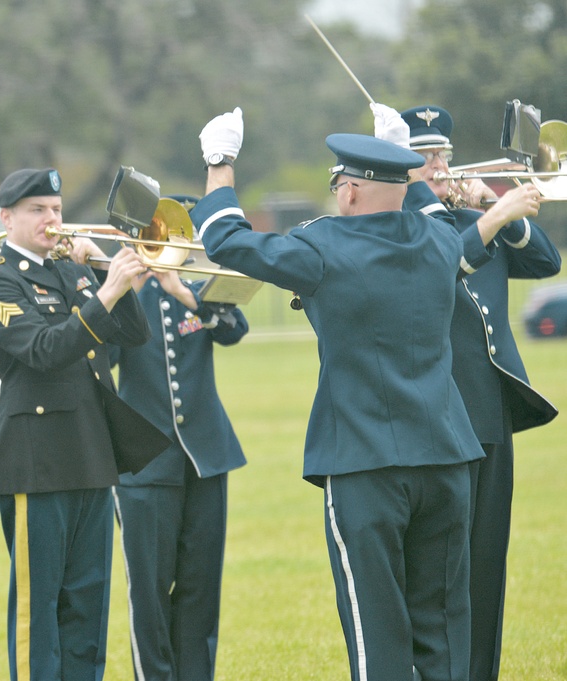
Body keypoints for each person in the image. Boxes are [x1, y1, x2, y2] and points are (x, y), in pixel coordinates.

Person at [191, 107, 540, 680]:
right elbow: (463, 241)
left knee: (378, 636)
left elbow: (224, 239)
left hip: (364, 464)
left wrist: (220, 163)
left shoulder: (322, 247)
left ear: (349, 191)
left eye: (338, 186)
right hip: (448, 459)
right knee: (445, 636)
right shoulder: (436, 238)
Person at [0, 167, 170, 681]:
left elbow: (134, 334)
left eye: (56, 209)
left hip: (90, 453)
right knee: (40, 613)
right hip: (35, 461)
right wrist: (104, 293)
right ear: (7, 217)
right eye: (37, 210)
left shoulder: (71, 270)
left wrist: (107, 270)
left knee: (87, 607)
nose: (51, 219)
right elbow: (45, 350)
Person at [395, 104, 560, 681]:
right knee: (442, 573)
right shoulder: (404, 222)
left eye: (443, 152)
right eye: (426, 155)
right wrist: (481, 216)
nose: (442, 164)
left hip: (489, 410)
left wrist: (497, 206)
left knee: (487, 566)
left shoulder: (469, 215)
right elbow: (436, 259)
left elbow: (544, 259)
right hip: (439, 416)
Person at [103, 195, 250, 681]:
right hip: (144, 465)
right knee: (149, 592)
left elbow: (234, 329)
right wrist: (119, 288)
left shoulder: (198, 293)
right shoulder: (124, 298)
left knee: (199, 588)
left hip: (206, 457)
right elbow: (99, 361)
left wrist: (184, 292)